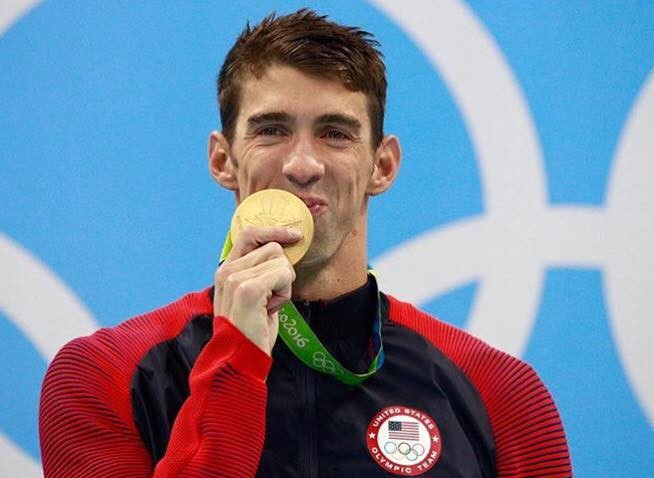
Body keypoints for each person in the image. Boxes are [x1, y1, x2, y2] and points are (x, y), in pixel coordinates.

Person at [39, 9, 572, 478]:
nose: (302, 165)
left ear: (382, 166)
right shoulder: (106, 376)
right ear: (223, 160)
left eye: (335, 133)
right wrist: (236, 360)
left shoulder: (500, 392)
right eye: (271, 130)